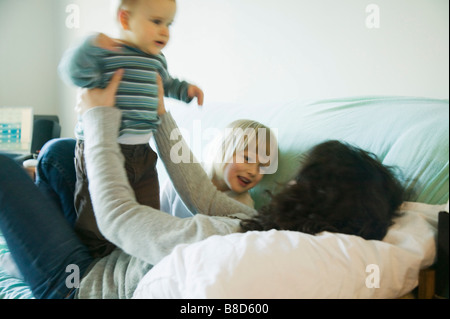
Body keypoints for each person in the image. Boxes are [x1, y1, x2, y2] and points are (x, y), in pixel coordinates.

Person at [0, 71, 404, 299]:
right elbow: (202, 193)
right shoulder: (257, 221)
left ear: (313, 197)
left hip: (81, 285)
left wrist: (99, 118)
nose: (288, 181)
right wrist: (157, 111)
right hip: (115, 255)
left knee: (5, 168)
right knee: (58, 154)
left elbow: (119, 216)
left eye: (301, 179)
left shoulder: (232, 240)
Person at [58, 0, 204, 258]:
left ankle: (133, 259)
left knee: (147, 213)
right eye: (157, 22)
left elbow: (167, 84)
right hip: (102, 149)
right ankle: (95, 258)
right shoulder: (107, 52)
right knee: (95, 214)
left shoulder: (157, 60)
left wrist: (186, 91)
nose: (165, 32)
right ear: (125, 19)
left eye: (169, 24)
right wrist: (88, 46)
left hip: (143, 152)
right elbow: (72, 72)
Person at [161, 119, 278, 218]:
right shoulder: (184, 172)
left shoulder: (243, 206)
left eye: (262, 167)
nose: (253, 172)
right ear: (223, 150)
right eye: (247, 158)